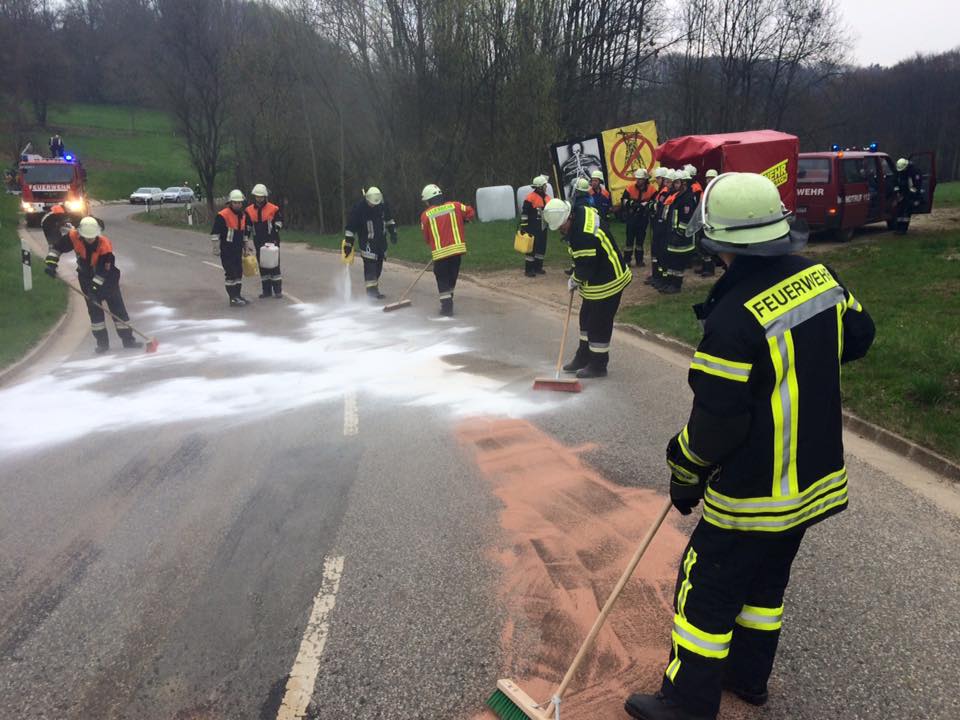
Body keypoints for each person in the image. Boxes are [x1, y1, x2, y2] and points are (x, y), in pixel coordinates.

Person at [623, 172, 875, 720]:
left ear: (719, 242)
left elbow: (715, 425)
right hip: (811, 484)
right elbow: (859, 335)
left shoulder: (731, 321)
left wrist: (684, 468)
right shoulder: (821, 278)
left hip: (752, 493)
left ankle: (687, 704)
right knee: (764, 582)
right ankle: (748, 678)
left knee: (706, 585)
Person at [543, 198, 632, 379]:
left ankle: (598, 365)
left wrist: (574, 279)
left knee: (598, 323)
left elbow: (586, 268)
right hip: (598, 275)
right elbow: (585, 262)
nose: (561, 230)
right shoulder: (582, 211)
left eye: (561, 226)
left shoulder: (582, 236)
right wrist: (578, 273)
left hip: (608, 280)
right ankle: (583, 357)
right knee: (586, 318)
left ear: (569, 217)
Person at [44, 216, 143, 353]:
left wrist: (94, 290)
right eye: (87, 237)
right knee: (95, 314)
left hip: (108, 280)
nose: (90, 240)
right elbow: (56, 248)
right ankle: (102, 344)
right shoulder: (73, 236)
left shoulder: (105, 245)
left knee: (118, 310)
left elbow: (103, 271)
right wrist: (51, 264)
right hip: (85, 277)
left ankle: (128, 340)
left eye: (92, 237)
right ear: (81, 234)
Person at [419, 184, 475, 316]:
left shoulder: (426, 215)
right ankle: (449, 299)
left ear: (429, 200)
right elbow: (470, 212)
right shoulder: (455, 206)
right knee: (451, 277)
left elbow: (427, 238)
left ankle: (447, 307)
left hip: (440, 254)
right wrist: (465, 219)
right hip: (457, 251)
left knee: (442, 278)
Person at [343, 186, 398, 300]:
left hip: (381, 243)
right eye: (372, 203)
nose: (374, 206)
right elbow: (351, 228)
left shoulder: (382, 205)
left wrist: (393, 232)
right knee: (370, 267)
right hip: (367, 242)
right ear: (367, 199)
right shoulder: (359, 209)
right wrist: (348, 244)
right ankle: (371, 293)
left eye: (376, 203)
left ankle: (374, 289)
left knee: (378, 266)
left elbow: (389, 219)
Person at [210, 189, 251, 306]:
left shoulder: (243, 216)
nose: (238, 205)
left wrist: (246, 248)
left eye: (239, 202)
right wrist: (215, 248)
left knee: (238, 273)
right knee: (231, 274)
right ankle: (232, 298)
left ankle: (237, 295)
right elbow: (215, 233)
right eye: (235, 202)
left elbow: (243, 234)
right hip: (227, 250)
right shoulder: (222, 215)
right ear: (230, 202)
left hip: (237, 250)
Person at [662, 170, 699, 294]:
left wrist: (679, 232)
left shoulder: (687, 198)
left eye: (677, 182)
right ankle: (670, 282)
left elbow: (686, 218)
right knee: (672, 260)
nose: (674, 185)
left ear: (683, 183)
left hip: (681, 237)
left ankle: (676, 285)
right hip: (673, 234)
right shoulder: (678, 195)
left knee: (678, 262)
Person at [244, 184, 284, 298]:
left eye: (261, 196)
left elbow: (280, 221)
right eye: (257, 196)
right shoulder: (249, 210)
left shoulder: (273, 208)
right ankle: (266, 291)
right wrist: (245, 240)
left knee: (274, 265)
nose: (259, 198)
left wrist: (275, 229)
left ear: (265, 196)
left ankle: (277, 291)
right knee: (263, 266)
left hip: (273, 240)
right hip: (259, 241)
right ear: (254, 196)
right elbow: (247, 227)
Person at [649, 170, 681, 291]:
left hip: (667, 229)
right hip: (660, 226)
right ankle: (660, 278)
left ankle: (666, 280)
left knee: (666, 256)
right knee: (659, 254)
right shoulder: (665, 193)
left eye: (668, 181)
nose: (666, 183)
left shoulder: (673, 195)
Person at [620, 168, 658, 267]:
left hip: (643, 218)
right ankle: (627, 260)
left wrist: (647, 205)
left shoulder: (652, 189)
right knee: (629, 240)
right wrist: (633, 204)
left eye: (640, 179)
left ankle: (639, 260)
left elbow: (655, 202)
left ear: (645, 179)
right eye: (637, 178)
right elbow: (623, 200)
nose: (638, 181)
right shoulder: (630, 188)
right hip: (632, 217)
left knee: (640, 240)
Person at [520, 175, 551, 278]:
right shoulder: (530, 197)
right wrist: (524, 227)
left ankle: (538, 267)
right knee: (531, 248)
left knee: (541, 248)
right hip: (532, 227)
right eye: (544, 185)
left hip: (543, 227)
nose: (546, 187)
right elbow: (524, 213)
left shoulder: (547, 197)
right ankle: (529, 270)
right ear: (539, 187)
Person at [696, 170, 719, 277]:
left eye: (711, 178)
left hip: (712, 222)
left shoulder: (718, 191)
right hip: (704, 220)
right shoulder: (706, 191)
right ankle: (705, 266)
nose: (708, 180)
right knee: (702, 244)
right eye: (707, 178)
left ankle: (710, 269)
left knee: (709, 246)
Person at [893, 157, 922, 234]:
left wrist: (909, 196)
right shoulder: (900, 171)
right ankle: (898, 228)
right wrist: (897, 192)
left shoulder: (914, 172)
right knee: (899, 211)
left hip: (911, 195)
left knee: (906, 212)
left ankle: (903, 229)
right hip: (902, 193)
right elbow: (896, 181)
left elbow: (916, 186)